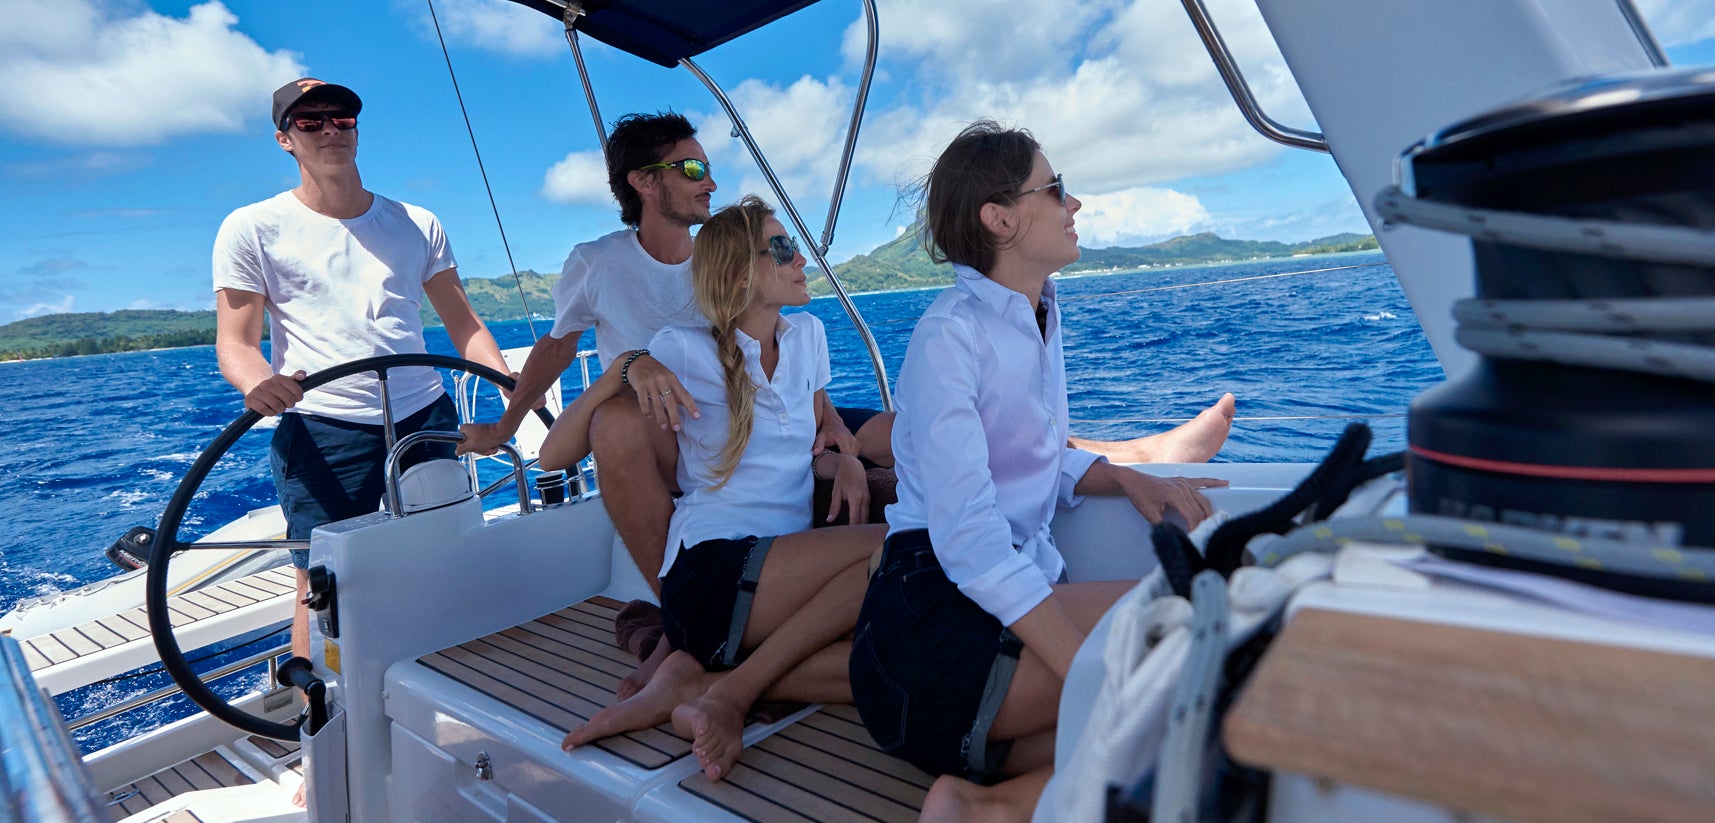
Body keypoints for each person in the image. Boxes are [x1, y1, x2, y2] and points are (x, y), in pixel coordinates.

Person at [459, 110, 1234, 695]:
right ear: (646, 183)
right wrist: (609, 374)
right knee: (908, 556)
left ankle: (1117, 459)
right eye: (691, 168)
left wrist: (837, 453)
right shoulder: (645, 310)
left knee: (910, 465)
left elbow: (822, 420)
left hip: (776, 497)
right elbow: (563, 405)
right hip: (707, 518)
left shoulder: (800, 336)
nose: (707, 179)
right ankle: (708, 657)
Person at [847, 122, 1224, 822]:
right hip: (924, 625)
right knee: (1188, 626)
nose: (1074, 203)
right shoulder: (949, 335)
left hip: (976, 613)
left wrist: (1122, 476)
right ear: (1000, 218)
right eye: (1055, 188)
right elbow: (968, 540)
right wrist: (1090, 671)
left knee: (1169, 732)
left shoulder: (1039, 311)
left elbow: (1028, 456)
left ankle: (975, 807)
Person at [213, 77, 511, 807]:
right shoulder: (251, 227)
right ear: (285, 139)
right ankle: (321, 740)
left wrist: (511, 399)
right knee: (323, 589)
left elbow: (464, 326)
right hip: (325, 427)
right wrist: (259, 385)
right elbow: (237, 342)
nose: (329, 128)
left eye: (341, 116)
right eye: (308, 120)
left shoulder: (416, 222)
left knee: (442, 558)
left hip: (425, 416)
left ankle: (444, 714)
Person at [546, 196, 881, 783]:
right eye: (782, 248)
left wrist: (846, 461)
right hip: (713, 572)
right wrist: (625, 367)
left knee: (889, 662)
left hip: (783, 573)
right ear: (737, 272)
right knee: (897, 548)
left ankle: (697, 680)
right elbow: (553, 456)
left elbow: (795, 456)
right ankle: (730, 691)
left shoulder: (808, 336)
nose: (801, 258)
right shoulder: (683, 348)